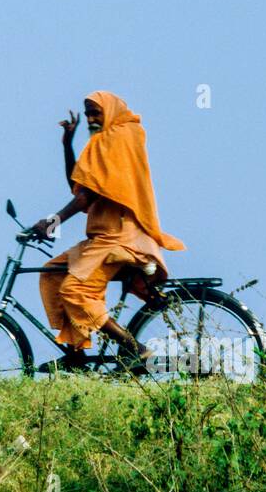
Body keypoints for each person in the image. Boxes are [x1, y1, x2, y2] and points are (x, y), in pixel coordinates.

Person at [26, 91, 185, 371]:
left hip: (119, 239)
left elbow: (85, 199)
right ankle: (75, 356)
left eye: (94, 112)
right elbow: (80, 187)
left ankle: (137, 350)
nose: (90, 118)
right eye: (87, 113)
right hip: (100, 238)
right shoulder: (101, 143)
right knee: (52, 274)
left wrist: (51, 223)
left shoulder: (119, 138)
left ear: (110, 110)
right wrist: (67, 145)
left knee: (75, 291)